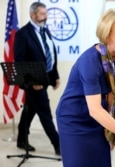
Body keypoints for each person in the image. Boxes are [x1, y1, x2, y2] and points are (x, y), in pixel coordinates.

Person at [56, 8, 115, 167]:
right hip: (75, 118)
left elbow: (112, 93)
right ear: (106, 36)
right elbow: (94, 109)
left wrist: (112, 130)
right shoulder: (90, 61)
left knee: (101, 162)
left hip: (99, 116)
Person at [14, 2, 60, 155]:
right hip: (34, 83)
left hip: (45, 79)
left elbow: (51, 54)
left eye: (46, 14)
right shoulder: (23, 34)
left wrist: (55, 76)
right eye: (42, 14)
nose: (45, 17)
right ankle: (58, 145)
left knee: (31, 109)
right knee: (45, 113)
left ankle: (21, 139)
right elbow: (19, 61)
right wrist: (32, 82)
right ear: (32, 15)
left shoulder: (44, 31)